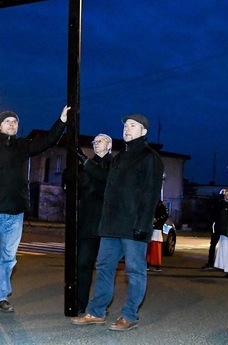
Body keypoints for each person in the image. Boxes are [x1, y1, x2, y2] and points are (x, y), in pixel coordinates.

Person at [0, 106, 69, 314]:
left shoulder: (22, 146)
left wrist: (61, 121)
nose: (12, 124)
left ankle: (0, 297)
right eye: (8, 121)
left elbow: (48, 141)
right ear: (0, 126)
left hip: (15, 211)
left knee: (9, 257)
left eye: (15, 122)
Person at [71, 114, 164, 331]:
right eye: (125, 126)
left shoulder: (150, 158)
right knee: (104, 268)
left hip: (133, 227)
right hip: (111, 225)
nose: (127, 129)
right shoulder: (120, 157)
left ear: (144, 132)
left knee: (134, 271)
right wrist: (86, 162)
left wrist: (143, 224)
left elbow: (150, 194)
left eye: (133, 126)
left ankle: (129, 315)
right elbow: (106, 179)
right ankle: (96, 311)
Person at [75, 133, 112, 314]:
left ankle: (100, 306)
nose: (96, 144)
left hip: (107, 225)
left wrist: (86, 164)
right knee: (83, 264)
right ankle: (80, 303)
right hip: (88, 223)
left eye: (100, 141)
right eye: (94, 142)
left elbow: (106, 181)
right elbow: (78, 188)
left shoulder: (114, 165)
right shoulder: (86, 165)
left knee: (105, 268)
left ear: (109, 145)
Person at [147, 200, 169, 272]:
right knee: (149, 246)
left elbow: (165, 215)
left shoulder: (160, 204)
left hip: (156, 228)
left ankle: (156, 264)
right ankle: (148, 263)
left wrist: (157, 220)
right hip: (149, 227)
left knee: (155, 245)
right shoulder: (149, 202)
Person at [201, 196, 222, 270]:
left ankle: (212, 262)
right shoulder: (219, 205)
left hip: (217, 227)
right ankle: (215, 263)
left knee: (213, 245)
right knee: (215, 245)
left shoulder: (216, 205)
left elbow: (211, 215)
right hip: (218, 227)